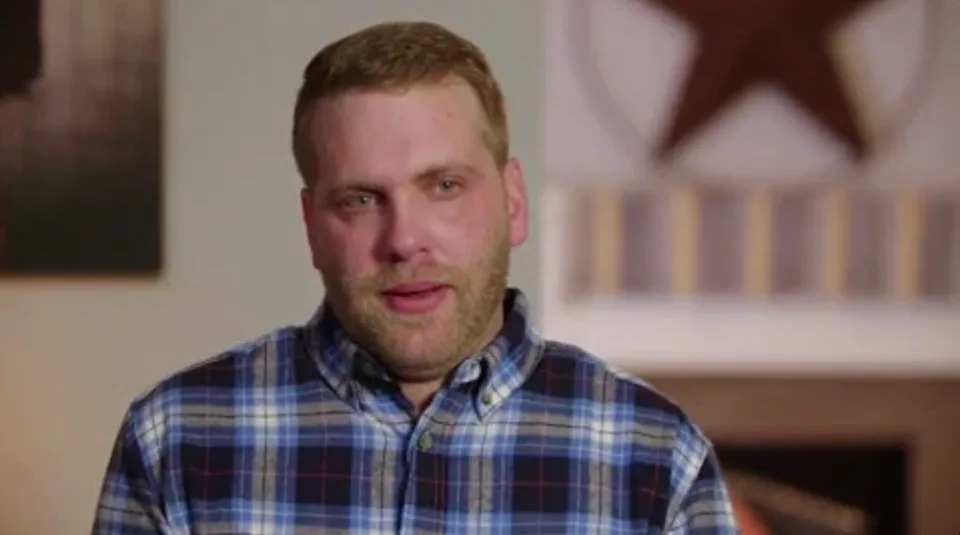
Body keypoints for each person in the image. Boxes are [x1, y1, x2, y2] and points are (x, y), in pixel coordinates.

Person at [90, 20, 740, 534]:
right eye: (361, 199)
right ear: (312, 224)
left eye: (445, 186)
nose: (404, 239)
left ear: (513, 200)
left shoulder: (656, 457)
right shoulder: (178, 439)